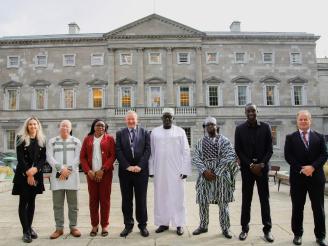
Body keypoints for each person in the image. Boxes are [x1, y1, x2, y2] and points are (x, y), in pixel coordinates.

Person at [284, 110, 328, 246]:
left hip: (316, 177)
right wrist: (302, 169)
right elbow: (288, 156)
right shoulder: (290, 137)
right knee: (297, 207)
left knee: (318, 208)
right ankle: (297, 234)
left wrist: (312, 167)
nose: (303, 121)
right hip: (298, 178)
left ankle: (320, 236)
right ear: (297, 121)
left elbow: (324, 155)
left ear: (310, 121)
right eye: (301, 119)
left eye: (306, 119)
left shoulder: (319, 137)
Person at [192, 117, 239, 239]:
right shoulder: (200, 142)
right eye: (207, 125)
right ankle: (203, 225)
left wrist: (217, 172)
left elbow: (229, 156)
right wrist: (204, 171)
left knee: (223, 202)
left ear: (216, 126)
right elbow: (196, 157)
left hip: (221, 176)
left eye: (212, 124)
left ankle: (225, 227)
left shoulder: (224, 140)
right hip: (205, 176)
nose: (209, 127)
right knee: (203, 201)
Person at [234, 103, 274, 242]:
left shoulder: (266, 127)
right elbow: (238, 150)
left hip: (262, 170)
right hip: (247, 169)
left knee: (265, 200)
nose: (251, 113)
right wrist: (250, 164)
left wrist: (261, 164)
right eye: (248, 111)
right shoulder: (239, 129)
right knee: (246, 200)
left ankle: (267, 230)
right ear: (245, 113)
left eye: (253, 111)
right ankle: (244, 228)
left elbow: (270, 150)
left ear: (257, 112)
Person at [149, 108, 191, 236]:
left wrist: (185, 169)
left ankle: (179, 224)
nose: (167, 119)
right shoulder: (155, 132)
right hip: (160, 170)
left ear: (173, 119)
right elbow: (151, 151)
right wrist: (151, 169)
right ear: (161, 118)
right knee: (161, 196)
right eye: (165, 117)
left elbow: (186, 151)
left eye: (170, 117)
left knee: (178, 196)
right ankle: (163, 223)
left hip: (177, 170)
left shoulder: (180, 131)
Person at [116, 111, 151, 237]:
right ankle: (128, 225)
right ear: (126, 120)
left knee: (141, 200)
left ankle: (143, 225)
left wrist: (139, 166)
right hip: (125, 172)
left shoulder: (145, 133)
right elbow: (118, 151)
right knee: (126, 200)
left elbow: (148, 150)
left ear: (137, 120)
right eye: (129, 119)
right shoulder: (120, 133)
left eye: (133, 119)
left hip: (141, 172)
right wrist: (128, 166)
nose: (131, 121)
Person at [12, 116, 46, 243]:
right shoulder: (21, 138)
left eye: (35, 124)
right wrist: (29, 173)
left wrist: (36, 170)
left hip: (36, 174)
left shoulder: (42, 139)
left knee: (32, 202)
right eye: (30, 124)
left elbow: (43, 158)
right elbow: (20, 158)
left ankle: (29, 227)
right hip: (23, 175)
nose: (33, 126)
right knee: (23, 202)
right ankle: (25, 231)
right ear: (27, 126)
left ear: (38, 126)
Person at [80, 119, 116, 237]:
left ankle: (104, 225)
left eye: (102, 126)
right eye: (98, 125)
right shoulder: (87, 139)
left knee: (105, 200)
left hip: (105, 175)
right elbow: (83, 157)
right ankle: (94, 225)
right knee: (93, 201)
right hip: (91, 175)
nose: (100, 127)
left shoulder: (109, 139)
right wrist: (88, 171)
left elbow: (112, 156)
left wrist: (103, 169)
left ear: (105, 128)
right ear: (93, 127)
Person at [47, 120, 82, 239]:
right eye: (63, 126)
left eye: (67, 126)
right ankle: (59, 228)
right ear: (59, 127)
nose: (65, 128)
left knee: (73, 205)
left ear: (70, 128)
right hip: (58, 177)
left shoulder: (76, 142)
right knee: (57, 205)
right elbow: (49, 157)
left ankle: (73, 227)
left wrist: (68, 170)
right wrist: (61, 169)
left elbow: (78, 158)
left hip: (72, 177)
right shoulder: (52, 141)